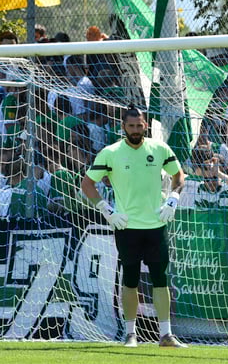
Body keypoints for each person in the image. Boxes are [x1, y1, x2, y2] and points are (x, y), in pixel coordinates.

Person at [81, 105, 188, 348]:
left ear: (146, 125)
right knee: (130, 280)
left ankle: (166, 335)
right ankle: (130, 334)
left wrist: (173, 198)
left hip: (156, 224)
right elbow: (87, 184)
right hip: (127, 226)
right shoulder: (111, 153)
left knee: (160, 279)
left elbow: (179, 175)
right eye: (131, 126)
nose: (136, 130)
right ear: (123, 127)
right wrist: (106, 210)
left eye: (140, 125)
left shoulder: (159, 148)